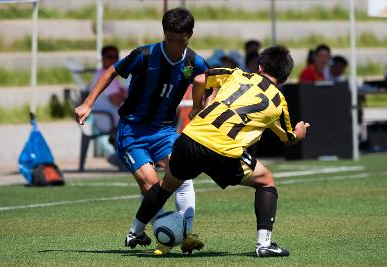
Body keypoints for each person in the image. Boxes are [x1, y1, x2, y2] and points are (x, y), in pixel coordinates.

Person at [126, 46, 310, 257]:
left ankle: (134, 232)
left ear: (259, 67)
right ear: (284, 78)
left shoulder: (237, 74)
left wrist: (196, 108)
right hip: (223, 152)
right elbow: (288, 139)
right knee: (266, 180)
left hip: (190, 139)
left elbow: (199, 79)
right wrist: (300, 132)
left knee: (166, 185)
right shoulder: (279, 102)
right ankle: (264, 244)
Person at [75, 7, 208, 255]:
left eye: (181, 41)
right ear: (164, 33)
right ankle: (161, 231)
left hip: (165, 131)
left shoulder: (194, 62)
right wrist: (88, 103)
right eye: (170, 40)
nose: (175, 46)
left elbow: (206, 81)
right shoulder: (145, 55)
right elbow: (112, 71)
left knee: (182, 175)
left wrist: (200, 107)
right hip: (132, 131)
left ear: (189, 35)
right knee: (151, 184)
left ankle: (185, 235)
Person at [89, 45, 128, 164]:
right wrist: (124, 95)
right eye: (109, 56)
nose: (113, 59)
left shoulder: (106, 75)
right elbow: (117, 100)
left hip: (106, 117)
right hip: (108, 119)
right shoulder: (106, 76)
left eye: (116, 57)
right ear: (102, 58)